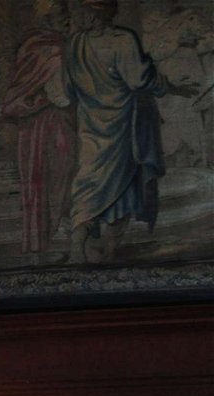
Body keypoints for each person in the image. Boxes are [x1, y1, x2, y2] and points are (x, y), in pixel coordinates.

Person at [62, 0, 178, 263]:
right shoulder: (122, 40)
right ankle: (105, 247)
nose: (80, 16)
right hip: (124, 124)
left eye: (83, 11)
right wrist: (171, 87)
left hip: (91, 123)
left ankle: (82, 243)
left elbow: (69, 88)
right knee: (125, 182)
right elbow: (140, 80)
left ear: (93, 13)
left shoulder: (74, 44)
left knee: (89, 179)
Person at [0, 0, 75, 258]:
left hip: (43, 125)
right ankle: (50, 239)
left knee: (51, 178)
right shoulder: (50, 48)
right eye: (62, 14)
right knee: (53, 176)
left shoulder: (45, 45)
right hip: (47, 125)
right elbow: (59, 95)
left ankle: (54, 237)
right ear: (50, 17)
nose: (67, 18)